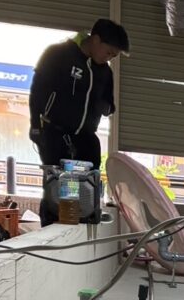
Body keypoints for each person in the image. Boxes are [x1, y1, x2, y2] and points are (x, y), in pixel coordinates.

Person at [29, 18, 129, 226]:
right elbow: (37, 91)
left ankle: (84, 216)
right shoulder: (59, 55)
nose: (109, 58)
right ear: (96, 39)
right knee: (60, 183)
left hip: (84, 135)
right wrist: (35, 126)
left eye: (114, 56)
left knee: (87, 177)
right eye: (108, 52)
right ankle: (51, 222)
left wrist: (105, 106)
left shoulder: (105, 72)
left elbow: (110, 104)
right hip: (55, 131)